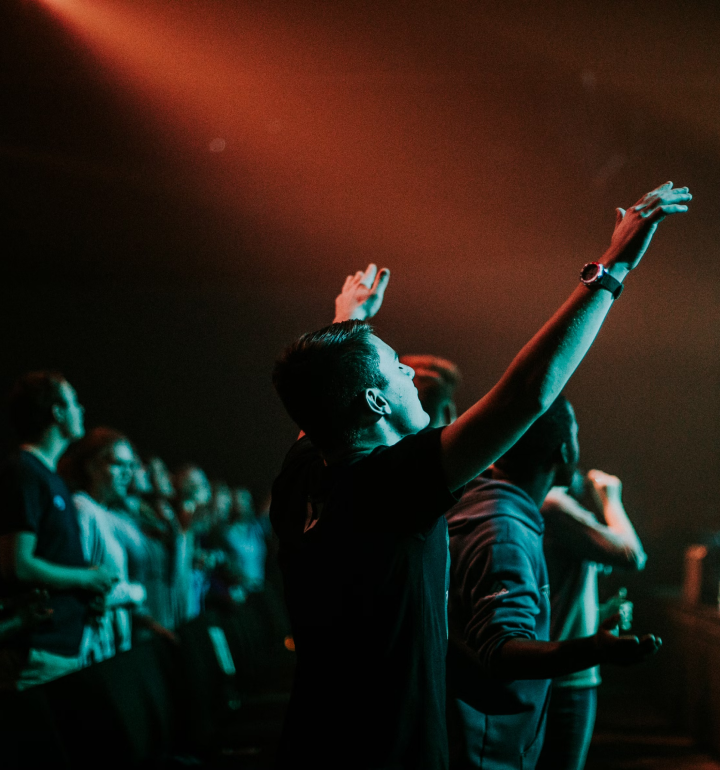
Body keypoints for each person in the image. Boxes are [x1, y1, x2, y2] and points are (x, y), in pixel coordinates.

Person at [270, 182, 690, 769]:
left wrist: (350, 322)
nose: (409, 375)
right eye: (395, 367)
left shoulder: (302, 477)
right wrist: (613, 267)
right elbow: (527, 392)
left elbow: (318, 402)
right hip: (388, 750)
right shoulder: (388, 486)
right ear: (373, 400)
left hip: (315, 739)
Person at [446, 397, 658, 769]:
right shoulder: (510, 525)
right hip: (505, 725)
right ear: (564, 449)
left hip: (486, 722)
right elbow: (500, 648)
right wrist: (594, 648)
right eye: (575, 433)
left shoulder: (480, 501)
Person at [0, 372, 116, 689]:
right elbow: (18, 564)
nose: (82, 409)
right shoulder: (25, 471)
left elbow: (50, 556)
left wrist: (87, 589)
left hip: (58, 649)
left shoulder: (51, 478)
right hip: (38, 652)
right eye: (74, 401)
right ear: (57, 412)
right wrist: (87, 578)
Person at [535, 468, 646, 770]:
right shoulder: (553, 505)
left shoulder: (538, 502)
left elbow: (553, 595)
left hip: (553, 671)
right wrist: (612, 501)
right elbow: (632, 555)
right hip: (566, 679)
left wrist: (600, 612)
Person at [58, 428, 151, 663]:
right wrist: (135, 592)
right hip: (92, 646)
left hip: (109, 641)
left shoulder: (105, 512)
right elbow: (82, 585)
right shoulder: (82, 508)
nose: (127, 474)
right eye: (119, 464)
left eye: (131, 466)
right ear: (92, 466)